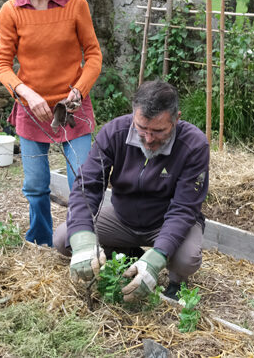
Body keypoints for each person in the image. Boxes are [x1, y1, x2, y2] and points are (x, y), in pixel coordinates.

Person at [0, 0, 102, 247]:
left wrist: (80, 90)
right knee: (36, 186)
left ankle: (78, 242)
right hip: (31, 111)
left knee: (81, 182)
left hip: (73, 109)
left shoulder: (75, 5)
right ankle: (40, 241)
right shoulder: (11, 11)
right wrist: (25, 92)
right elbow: (2, 65)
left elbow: (93, 55)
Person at [54, 81, 209, 302]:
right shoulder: (114, 132)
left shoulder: (194, 145)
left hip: (165, 220)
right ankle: (131, 256)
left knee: (186, 259)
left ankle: (175, 280)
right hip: (122, 217)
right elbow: (88, 185)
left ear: (176, 119)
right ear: (133, 114)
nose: (148, 139)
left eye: (158, 131)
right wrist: (84, 241)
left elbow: (184, 208)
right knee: (64, 238)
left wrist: (156, 260)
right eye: (142, 128)